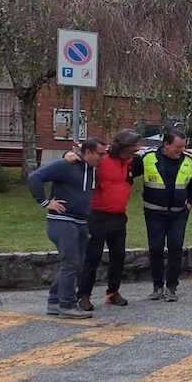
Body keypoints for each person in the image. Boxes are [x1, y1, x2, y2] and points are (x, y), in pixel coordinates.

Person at [28, 138, 107, 319]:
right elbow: (35, 178)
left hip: (80, 222)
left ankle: (54, 301)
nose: (102, 158)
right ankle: (67, 305)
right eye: (100, 154)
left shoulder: (91, 168)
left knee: (75, 265)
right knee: (71, 264)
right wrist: (45, 202)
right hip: (62, 222)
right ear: (87, 153)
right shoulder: (66, 165)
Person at [74, 129, 140, 310]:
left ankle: (113, 292)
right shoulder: (101, 160)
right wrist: (68, 155)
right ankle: (83, 295)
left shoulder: (132, 162)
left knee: (118, 256)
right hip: (97, 216)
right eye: (134, 146)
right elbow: (78, 156)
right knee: (92, 257)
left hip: (119, 216)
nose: (137, 148)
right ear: (123, 146)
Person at [129, 129, 192, 302]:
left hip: (178, 214)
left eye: (183, 147)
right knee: (156, 249)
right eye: (178, 147)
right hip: (154, 213)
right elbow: (126, 172)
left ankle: (172, 287)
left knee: (175, 248)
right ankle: (157, 286)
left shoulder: (189, 160)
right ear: (166, 145)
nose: (181, 150)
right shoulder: (146, 158)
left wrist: (190, 204)